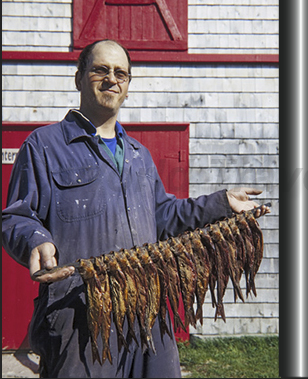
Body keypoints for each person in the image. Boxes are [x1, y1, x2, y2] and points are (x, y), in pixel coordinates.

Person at [2, 39, 269, 378]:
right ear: (79, 78)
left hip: (148, 310)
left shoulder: (138, 154)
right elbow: (16, 216)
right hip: (80, 314)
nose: (111, 79)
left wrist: (220, 203)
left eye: (121, 73)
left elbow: (164, 216)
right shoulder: (44, 145)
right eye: (100, 70)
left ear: (128, 86)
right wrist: (35, 239)